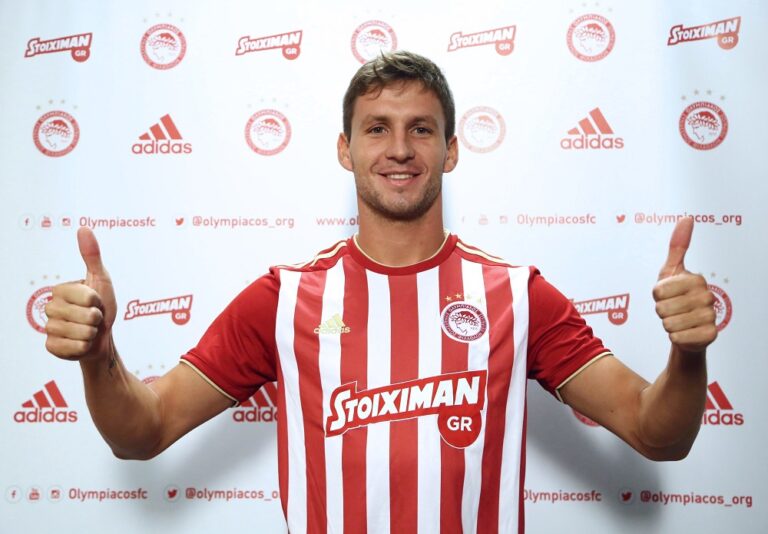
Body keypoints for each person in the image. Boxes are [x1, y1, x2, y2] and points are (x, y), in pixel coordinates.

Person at [44, 51, 717, 533]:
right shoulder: (283, 299)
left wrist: (688, 356)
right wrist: (99, 357)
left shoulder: (516, 295)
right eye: (377, 128)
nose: (400, 149)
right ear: (345, 150)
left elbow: (656, 435)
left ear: (452, 150)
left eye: (421, 128)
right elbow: (144, 432)